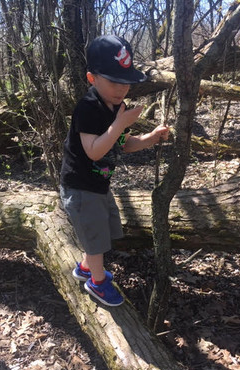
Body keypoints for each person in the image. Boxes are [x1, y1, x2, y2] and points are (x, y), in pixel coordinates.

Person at [60, 35, 169, 307]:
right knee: (95, 238)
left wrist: (150, 138)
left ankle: (85, 268)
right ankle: (97, 283)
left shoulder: (116, 107)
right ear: (92, 78)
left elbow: (120, 144)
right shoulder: (88, 108)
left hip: (99, 185)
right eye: (113, 81)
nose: (121, 89)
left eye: (126, 82)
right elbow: (94, 150)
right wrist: (120, 123)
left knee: (102, 228)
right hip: (81, 186)